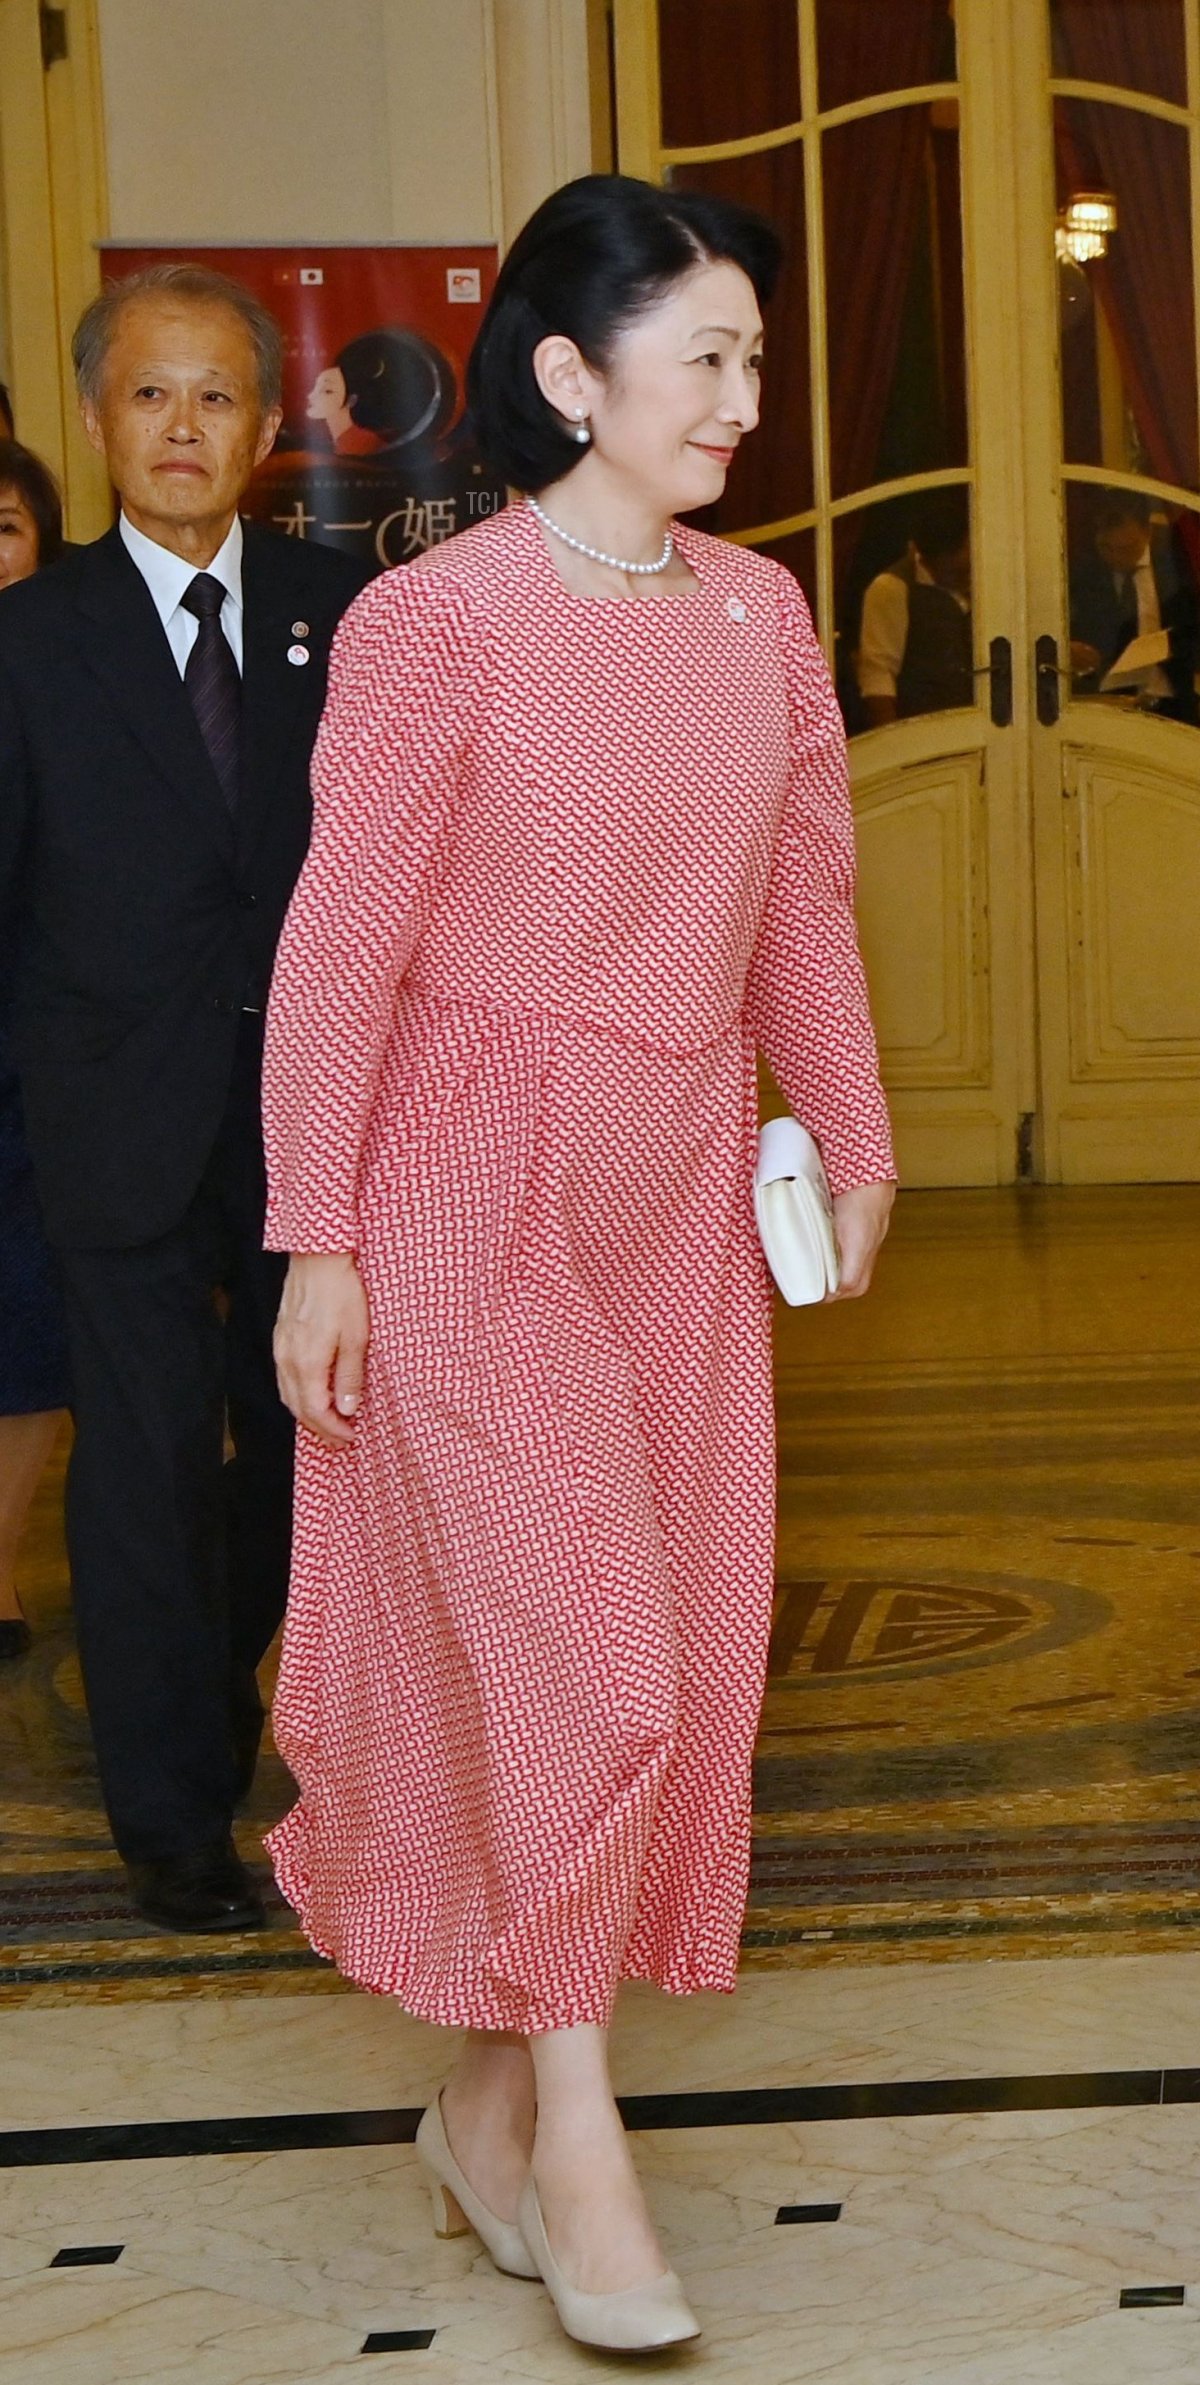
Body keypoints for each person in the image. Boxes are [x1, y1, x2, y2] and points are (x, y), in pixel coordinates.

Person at [264, 174, 895, 2354]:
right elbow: (338, 952)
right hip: (465, 1185)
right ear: (567, 377)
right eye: (705, 355)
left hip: (676, 1204)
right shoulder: (434, 625)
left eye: (750, 354)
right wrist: (316, 1239)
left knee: (689, 1663)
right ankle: (576, 2136)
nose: (744, 394)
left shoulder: (763, 616)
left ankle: (472, 2095)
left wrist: (857, 1135)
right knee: (587, 1667)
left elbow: (802, 905)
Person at [0, 265, 367, 1932]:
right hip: (107, 1113)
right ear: (94, 418)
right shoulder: (26, 641)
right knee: (142, 1460)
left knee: (301, 1446)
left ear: (269, 427)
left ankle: (226, 1712)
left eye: (217, 395)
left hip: (308, 1112)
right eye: (150, 394)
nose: (182, 428)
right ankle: (169, 1816)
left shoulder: (347, 615)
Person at [0, 440, 70, 1660]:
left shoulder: (78, 676)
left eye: (2, 527)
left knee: (27, 1324)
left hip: (42, 1064)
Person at [1070, 488, 1199, 724]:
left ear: (1147, 533)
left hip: (1173, 699)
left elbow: (1192, 627)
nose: (1116, 557)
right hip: (1109, 703)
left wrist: (1170, 645)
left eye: (1126, 548)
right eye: (1107, 548)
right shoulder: (1084, 574)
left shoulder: (1177, 568)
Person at [856, 487, 973, 727]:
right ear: (930, 559)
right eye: (955, 570)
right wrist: (892, 744)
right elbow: (878, 673)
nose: (966, 573)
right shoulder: (891, 588)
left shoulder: (985, 581)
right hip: (923, 729)